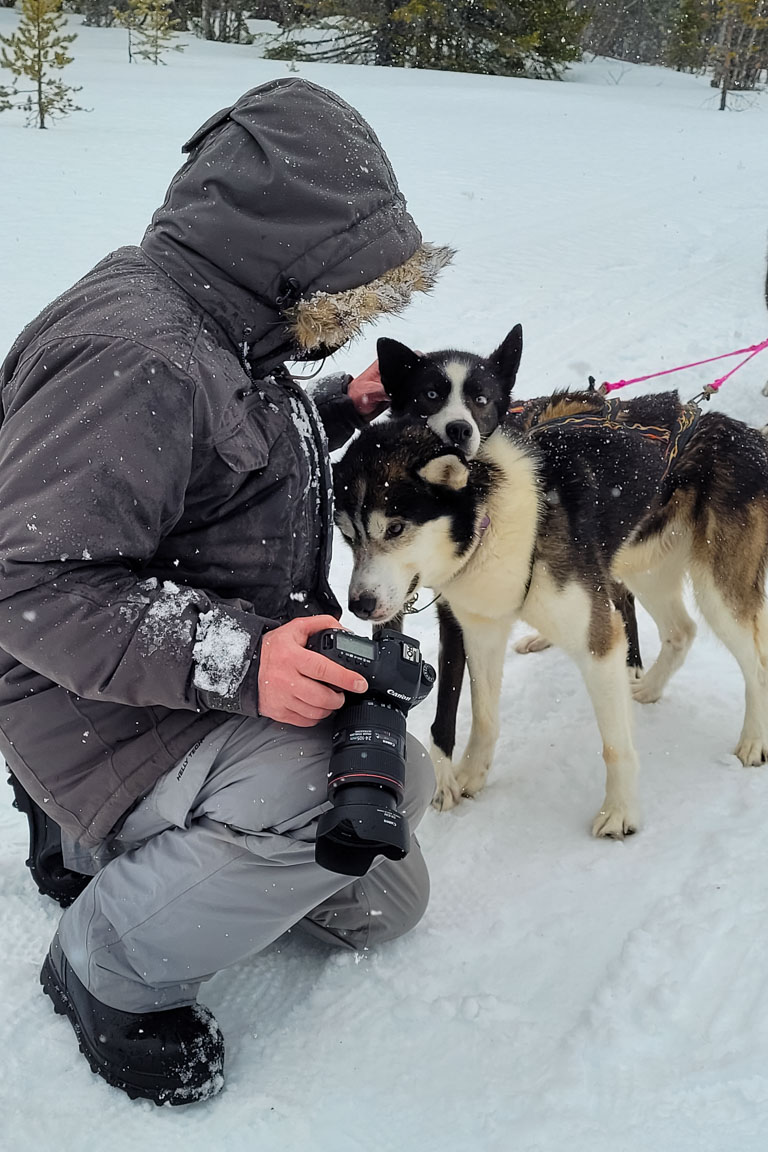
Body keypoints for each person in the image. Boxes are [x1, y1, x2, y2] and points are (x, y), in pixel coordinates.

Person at [0, 78, 453, 1105]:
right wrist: (244, 664)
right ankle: (103, 964)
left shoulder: (222, 320)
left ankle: (126, 850)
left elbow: (216, 457)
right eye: (340, 285)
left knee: (387, 864)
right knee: (316, 800)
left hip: (153, 687)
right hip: (86, 702)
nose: (349, 313)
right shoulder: (139, 352)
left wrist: (342, 401)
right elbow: (25, 580)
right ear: (280, 245)